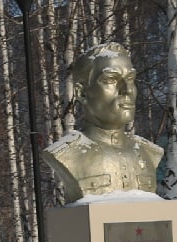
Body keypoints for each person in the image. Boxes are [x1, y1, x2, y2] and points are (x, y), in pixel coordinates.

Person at [42, 43, 165, 201]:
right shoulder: (67, 154)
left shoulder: (150, 153)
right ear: (82, 93)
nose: (127, 89)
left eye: (130, 79)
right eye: (111, 80)